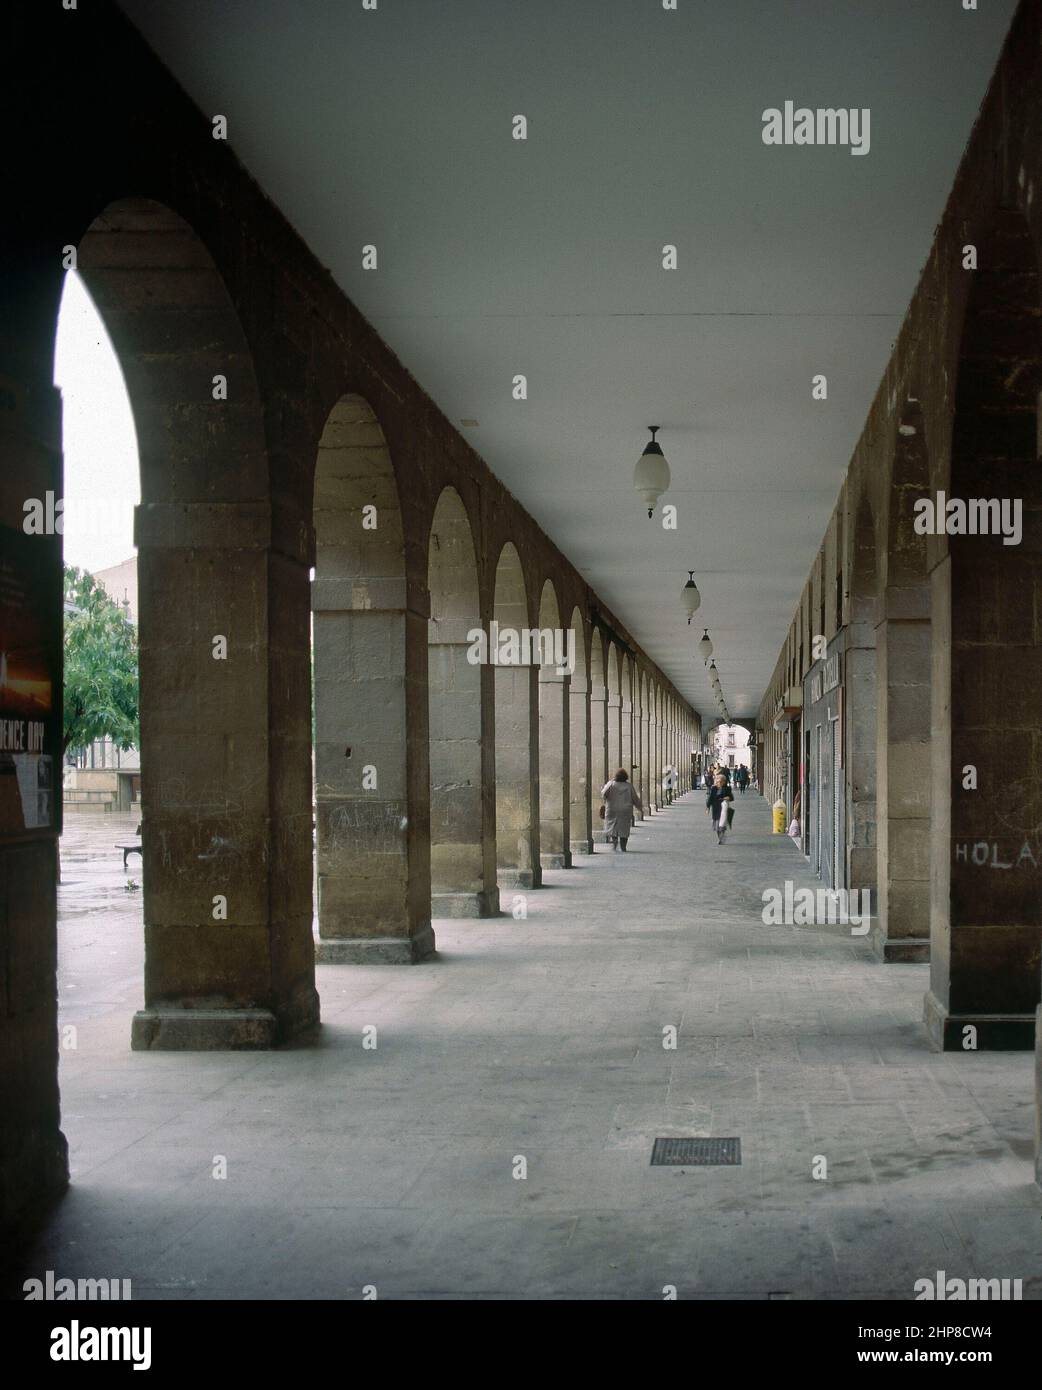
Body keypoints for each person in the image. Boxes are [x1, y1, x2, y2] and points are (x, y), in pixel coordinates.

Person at [601, 768, 642, 851]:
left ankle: (615, 842)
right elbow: (635, 798)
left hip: (612, 809)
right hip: (625, 810)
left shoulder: (611, 784)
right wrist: (639, 807)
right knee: (624, 828)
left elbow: (603, 794)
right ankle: (623, 846)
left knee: (612, 826)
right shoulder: (629, 786)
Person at [706, 772, 734, 846]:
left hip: (723, 809)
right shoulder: (713, 788)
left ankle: (722, 837)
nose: (719, 783)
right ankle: (720, 837)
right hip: (715, 808)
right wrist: (708, 807)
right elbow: (710, 798)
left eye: (721, 781)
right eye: (718, 781)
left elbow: (731, 797)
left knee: (721, 825)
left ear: (724, 782)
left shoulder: (727, 788)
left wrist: (728, 798)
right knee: (717, 826)